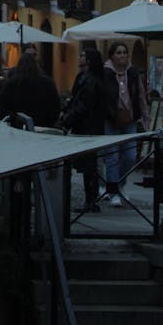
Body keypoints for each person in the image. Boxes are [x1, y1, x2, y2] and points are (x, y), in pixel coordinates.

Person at [103, 41, 149, 206]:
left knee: (130, 156)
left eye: (124, 52)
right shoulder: (106, 73)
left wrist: (145, 116)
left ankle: (120, 184)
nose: (122, 55)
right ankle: (113, 191)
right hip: (111, 119)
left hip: (130, 119)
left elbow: (141, 96)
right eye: (118, 52)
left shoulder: (133, 73)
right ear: (112, 56)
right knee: (112, 157)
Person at [60, 48, 106, 210]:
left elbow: (83, 105)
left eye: (82, 55)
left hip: (88, 128)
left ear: (89, 60)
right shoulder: (84, 78)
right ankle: (90, 199)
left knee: (89, 166)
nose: (79, 57)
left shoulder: (91, 81)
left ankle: (91, 200)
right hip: (86, 126)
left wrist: (67, 119)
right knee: (88, 166)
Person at [0, 53, 61, 128]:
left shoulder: (11, 84)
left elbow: (0, 109)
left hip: (17, 127)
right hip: (42, 126)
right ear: (37, 65)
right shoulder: (48, 83)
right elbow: (55, 108)